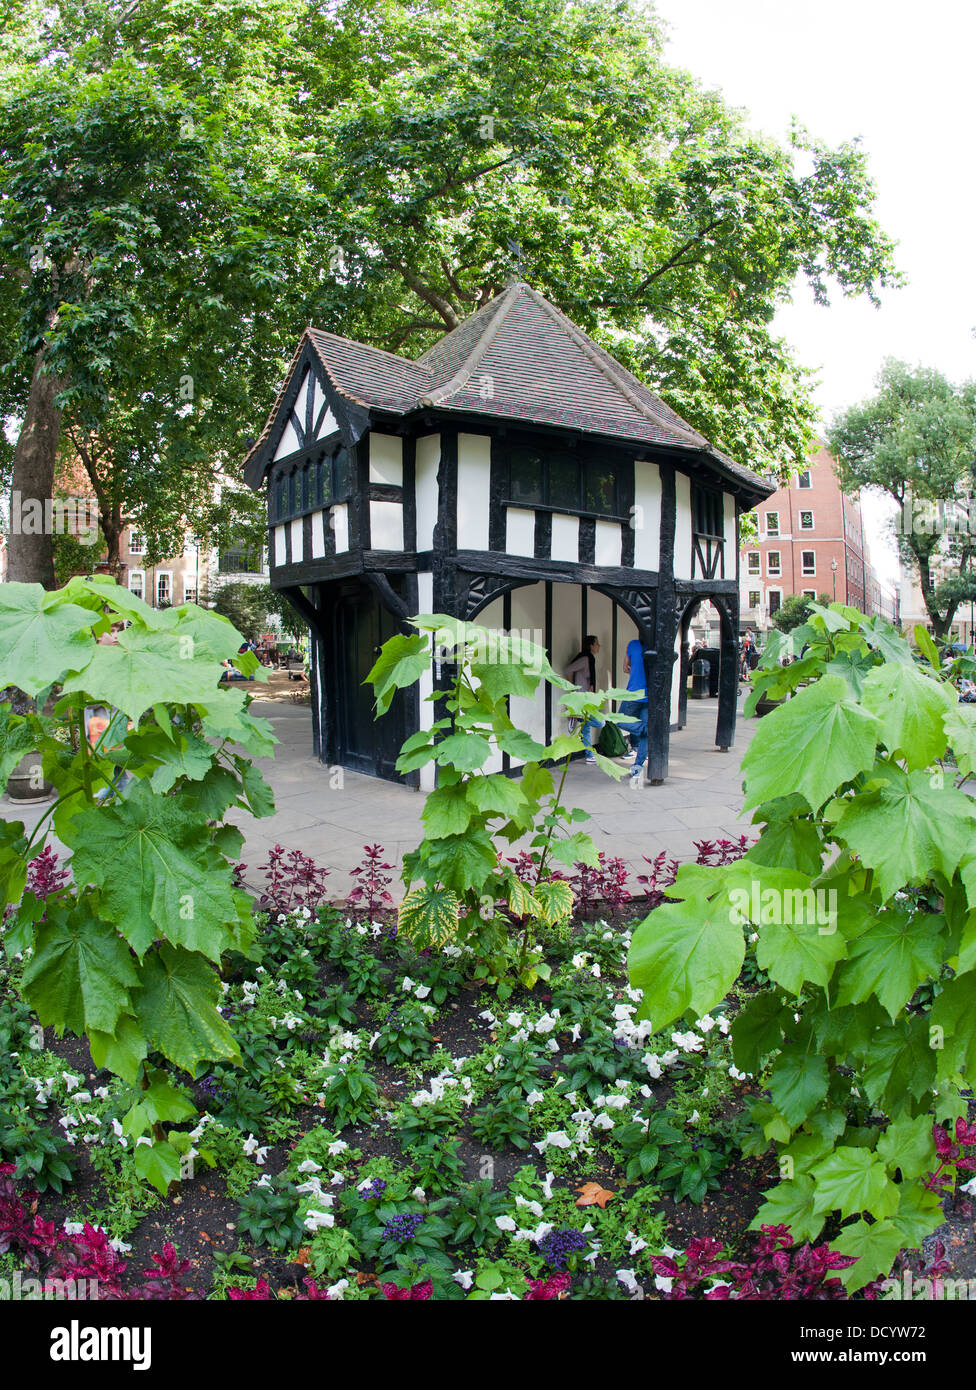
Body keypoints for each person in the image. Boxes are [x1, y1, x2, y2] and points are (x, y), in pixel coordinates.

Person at [563, 635, 603, 765]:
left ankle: (589, 756)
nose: (599, 646)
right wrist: (572, 689)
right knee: (601, 722)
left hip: (587, 699)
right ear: (590, 645)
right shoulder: (585, 658)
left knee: (585, 728)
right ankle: (576, 717)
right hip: (581, 698)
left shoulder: (590, 659)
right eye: (597, 643)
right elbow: (568, 669)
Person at [620, 638, 648, 788]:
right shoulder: (655, 645)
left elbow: (625, 668)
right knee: (646, 733)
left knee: (619, 719)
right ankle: (637, 768)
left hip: (634, 693)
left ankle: (643, 728)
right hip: (651, 695)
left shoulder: (633, 644)